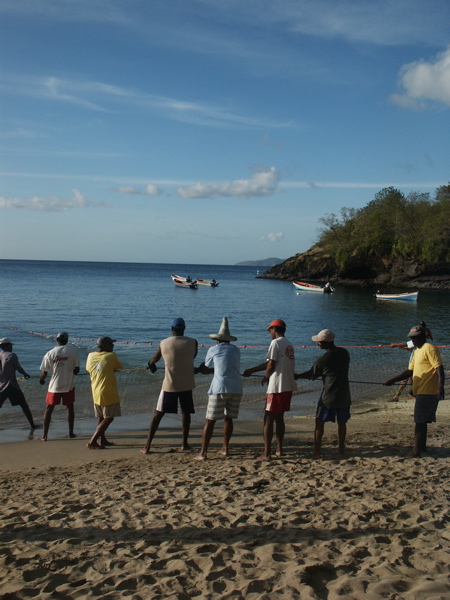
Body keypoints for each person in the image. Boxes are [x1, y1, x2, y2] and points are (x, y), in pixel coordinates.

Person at [384, 325, 445, 457]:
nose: (413, 340)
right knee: (422, 421)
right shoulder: (417, 351)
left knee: (419, 422)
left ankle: (416, 451)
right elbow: (410, 371)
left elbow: (440, 369)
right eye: (412, 338)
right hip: (421, 391)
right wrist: (392, 380)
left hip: (428, 392)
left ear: (423, 336)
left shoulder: (430, 348)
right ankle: (422, 448)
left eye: (415, 337)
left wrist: (440, 388)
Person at [141, 318, 198, 454]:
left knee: (158, 414)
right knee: (186, 413)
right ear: (184, 328)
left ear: (172, 329)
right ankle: (184, 444)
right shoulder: (193, 342)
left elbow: (154, 359)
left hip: (170, 384)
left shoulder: (163, 343)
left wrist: (151, 365)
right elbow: (192, 357)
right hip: (187, 383)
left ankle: (147, 446)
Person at [243, 319, 296, 460]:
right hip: (288, 385)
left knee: (268, 419)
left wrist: (266, 377)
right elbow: (270, 363)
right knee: (280, 418)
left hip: (276, 386)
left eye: (270, 330)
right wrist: (252, 370)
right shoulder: (289, 343)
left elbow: (271, 364)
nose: (270, 333)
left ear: (274, 329)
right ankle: (279, 449)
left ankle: (266, 453)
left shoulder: (275, 343)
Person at [295, 329, 351, 459]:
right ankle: (341, 451)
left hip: (329, 397)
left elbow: (311, 374)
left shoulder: (322, 359)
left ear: (325, 343)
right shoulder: (344, 353)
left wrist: (297, 376)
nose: (317, 343)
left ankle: (317, 452)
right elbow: (330, 369)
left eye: (319, 342)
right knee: (342, 423)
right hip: (344, 394)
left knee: (319, 423)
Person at [194, 317, 242, 460]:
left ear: (217, 340)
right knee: (229, 418)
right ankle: (225, 448)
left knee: (210, 420)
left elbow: (205, 367)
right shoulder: (236, 350)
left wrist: (197, 370)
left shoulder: (214, 349)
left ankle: (203, 453)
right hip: (236, 387)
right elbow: (224, 367)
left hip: (220, 387)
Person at [39, 331, 80, 441]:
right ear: (67, 340)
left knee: (49, 409)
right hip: (68, 385)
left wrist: (41, 380)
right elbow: (77, 369)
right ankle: (71, 433)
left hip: (54, 386)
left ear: (57, 340)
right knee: (69, 407)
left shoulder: (49, 353)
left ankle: (44, 436)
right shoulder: (73, 351)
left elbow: (44, 372)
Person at [86, 336, 123, 449]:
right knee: (109, 418)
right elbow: (116, 367)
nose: (113, 346)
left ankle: (102, 440)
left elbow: (88, 369)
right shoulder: (111, 356)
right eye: (111, 344)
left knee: (101, 417)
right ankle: (92, 441)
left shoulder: (90, 355)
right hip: (107, 392)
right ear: (105, 346)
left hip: (96, 391)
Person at [0, 337, 37, 429]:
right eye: (10, 345)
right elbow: (19, 368)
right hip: (11, 385)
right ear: (7, 346)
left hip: (0, 385)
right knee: (24, 405)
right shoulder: (12, 355)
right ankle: (32, 425)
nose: (12, 347)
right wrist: (25, 374)